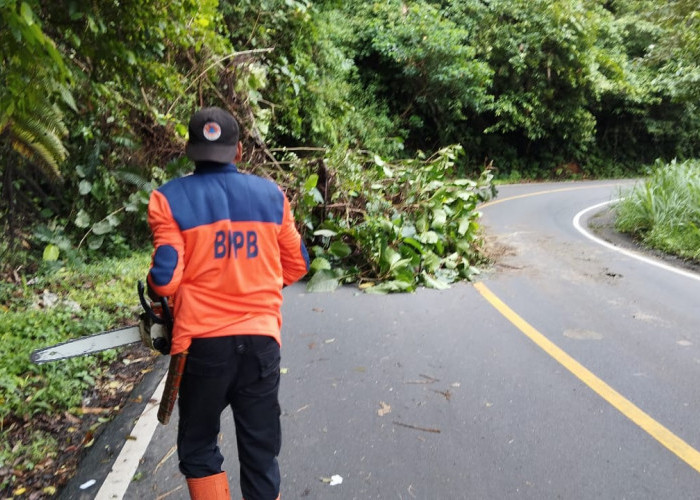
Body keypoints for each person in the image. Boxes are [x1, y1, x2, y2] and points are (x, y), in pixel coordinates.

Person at [146, 106, 310, 500]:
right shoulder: (271, 196)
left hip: (202, 349)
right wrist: (259, 284)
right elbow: (298, 264)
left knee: (199, 446)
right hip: (261, 344)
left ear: (191, 150)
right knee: (260, 447)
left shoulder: (167, 199)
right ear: (238, 152)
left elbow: (165, 283)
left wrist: (159, 286)